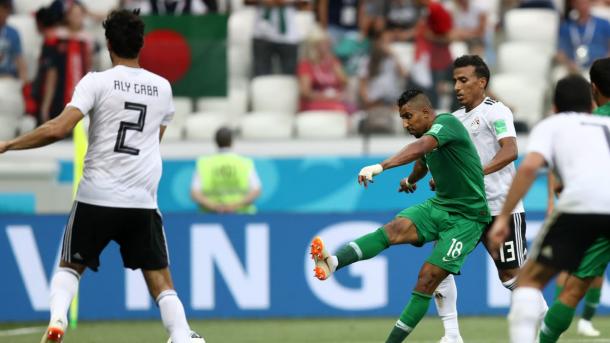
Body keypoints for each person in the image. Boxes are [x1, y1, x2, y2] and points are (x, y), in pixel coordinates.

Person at [0, 10, 199, 343]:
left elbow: (58, 128)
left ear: (108, 44)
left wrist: (8, 144)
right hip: (141, 200)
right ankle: (181, 335)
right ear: (142, 43)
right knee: (161, 281)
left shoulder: (96, 81)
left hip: (96, 196)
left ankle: (58, 320)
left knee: (69, 267)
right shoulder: (162, 89)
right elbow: (153, 140)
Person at [310, 89, 491, 342]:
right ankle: (333, 262)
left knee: (427, 278)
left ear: (427, 113)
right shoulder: (429, 137)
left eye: (409, 117)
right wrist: (409, 180)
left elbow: (421, 148)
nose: (405, 124)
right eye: (402, 119)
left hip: (467, 219)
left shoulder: (446, 123)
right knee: (393, 229)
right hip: (439, 206)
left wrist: (381, 166)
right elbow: (422, 162)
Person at [430, 55, 547, 343]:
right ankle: (452, 335)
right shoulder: (454, 119)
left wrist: (473, 173)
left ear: (481, 82)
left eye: (464, 80)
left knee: (510, 277)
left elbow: (510, 151)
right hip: (465, 209)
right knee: (437, 267)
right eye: (455, 80)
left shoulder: (497, 111)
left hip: (500, 206)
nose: (457, 86)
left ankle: (542, 314)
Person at [488, 74, 610, 343]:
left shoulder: (552, 125)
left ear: (554, 106)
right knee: (577, 288)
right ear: (591, 104)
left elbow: (530, 167)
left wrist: (503, 218)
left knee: (529, 282)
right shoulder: (606, 124)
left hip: (581, 207)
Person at [542, 57, 610, 341]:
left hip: (598, 209)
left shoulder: (587, 124)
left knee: (574, 285)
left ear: (593, 88)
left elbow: (559, 178)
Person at [190, 127, 262, 214]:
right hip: (242, 216)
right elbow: (256, 190)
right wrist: (234, 206)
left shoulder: (204, 163)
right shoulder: (244, 163)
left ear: (215, 142)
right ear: (232, 142)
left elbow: (195, 193)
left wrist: (215, 207)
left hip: (210, 217)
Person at [297, 26, 349, 113]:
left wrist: (334, 66)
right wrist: (327, 98)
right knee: (340, 109)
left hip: (334, 100)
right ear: (314, 47)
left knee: (352, 108)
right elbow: (305, 93)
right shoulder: (306, 65)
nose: (328, 46)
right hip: (314, 102)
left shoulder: (333, 62)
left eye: (328, 43)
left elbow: (344, 82)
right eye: (323, 43)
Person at [557, 0, 610, 73]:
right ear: (573, 4)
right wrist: (568, 63)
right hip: (574, 70)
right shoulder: (566, 26)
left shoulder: (603, 23)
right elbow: (560, 53)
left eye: (585, 3)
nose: (583, 6)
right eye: (579, 3)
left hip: (599, 69)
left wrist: (602, 62)